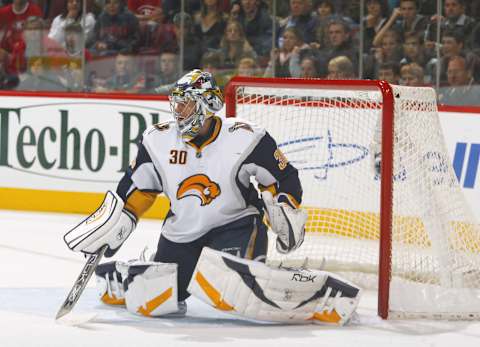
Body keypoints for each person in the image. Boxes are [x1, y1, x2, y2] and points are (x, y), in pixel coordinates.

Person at [62, 69, 360, 324]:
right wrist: (117, 223)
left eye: (187, 105)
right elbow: (138, 189)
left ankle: (318, 291)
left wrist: (283, 206)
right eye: (176, 104)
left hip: (237, 225)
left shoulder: (246, 137)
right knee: (150, 299)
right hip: (181, 233)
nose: (178, 112)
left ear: (208, 104)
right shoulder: (157, 140)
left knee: (229, 284)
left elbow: (284, 178)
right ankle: (123, 273)